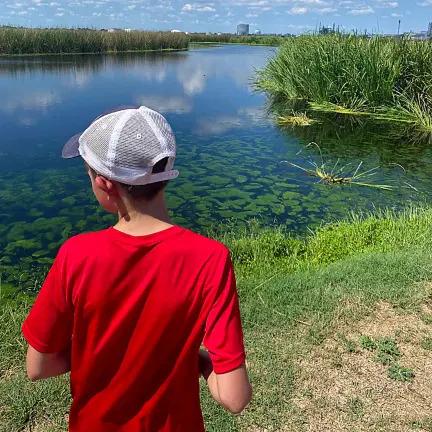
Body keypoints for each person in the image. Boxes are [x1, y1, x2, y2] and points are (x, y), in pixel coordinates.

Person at [21, 106, 252, 432]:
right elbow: (234, 397)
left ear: (104, 185)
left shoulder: (77, 256)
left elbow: (38, 365)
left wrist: (101, 353)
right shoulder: (210, 258)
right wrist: (193, 357)